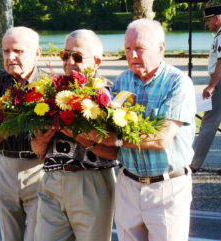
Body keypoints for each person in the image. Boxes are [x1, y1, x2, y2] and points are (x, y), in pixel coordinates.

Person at [84, 19, 195, 241]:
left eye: (139, 49)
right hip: (128, 184)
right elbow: (106, 132)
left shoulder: (178, 83)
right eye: (128, 49)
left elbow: (161, 139)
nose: (132, 55)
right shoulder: (122, 80)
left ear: (161, 48)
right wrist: (87, 137)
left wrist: (113, 140)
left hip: (167, 187)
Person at [31, 29, 119, 241]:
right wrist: (41, 141)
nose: (69, 61)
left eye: (77, 56)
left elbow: (115, 151)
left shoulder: (107, 97)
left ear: (97, 61)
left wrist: (80, 137)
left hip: (91, 182)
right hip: (52, 180)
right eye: (65, 55)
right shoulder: (50, 93)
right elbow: (36, 150)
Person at [0, 26, 43, 241]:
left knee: (36, 236)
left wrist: (4, 124)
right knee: (10, 237)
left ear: (37, 53)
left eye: (18, 51)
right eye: (6, 51)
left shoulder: (50, 87)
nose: (11, 57)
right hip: (4, 168)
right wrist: (17, 121)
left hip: (40, 169)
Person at [190, 1, 221, 175]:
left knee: (209, 121)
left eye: (208, 20)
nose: (207, 24)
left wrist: (211, 86)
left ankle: (192, 164)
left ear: (216, 19)